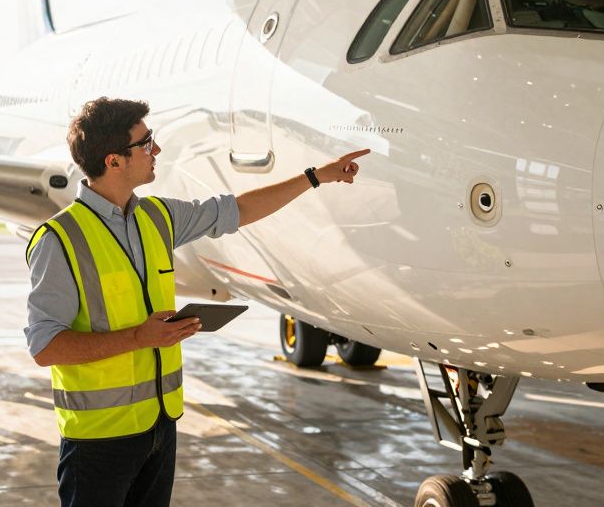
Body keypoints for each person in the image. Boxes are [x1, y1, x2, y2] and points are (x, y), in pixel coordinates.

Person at [24, 96, 369, 507]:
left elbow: (238, 210)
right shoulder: (60, 240)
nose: (157, 150)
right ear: (113, 160)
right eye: (146, 143)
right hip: (98, 441)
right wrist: (141, 337)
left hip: (160, 428)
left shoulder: (157, 217)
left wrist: (315, 177)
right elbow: (45, 348)